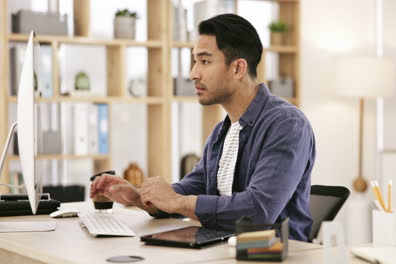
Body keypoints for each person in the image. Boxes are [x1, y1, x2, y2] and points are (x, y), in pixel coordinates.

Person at [90, 14, 316, 242]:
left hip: (272, 254)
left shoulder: (286, 124)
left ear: (238, 68)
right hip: (222, 250)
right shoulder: (223, 131)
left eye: (205, 61)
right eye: (194, 61)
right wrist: (140, 197)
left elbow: (257, 212)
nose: (193, 73)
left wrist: (175, 202)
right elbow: (192, 188)